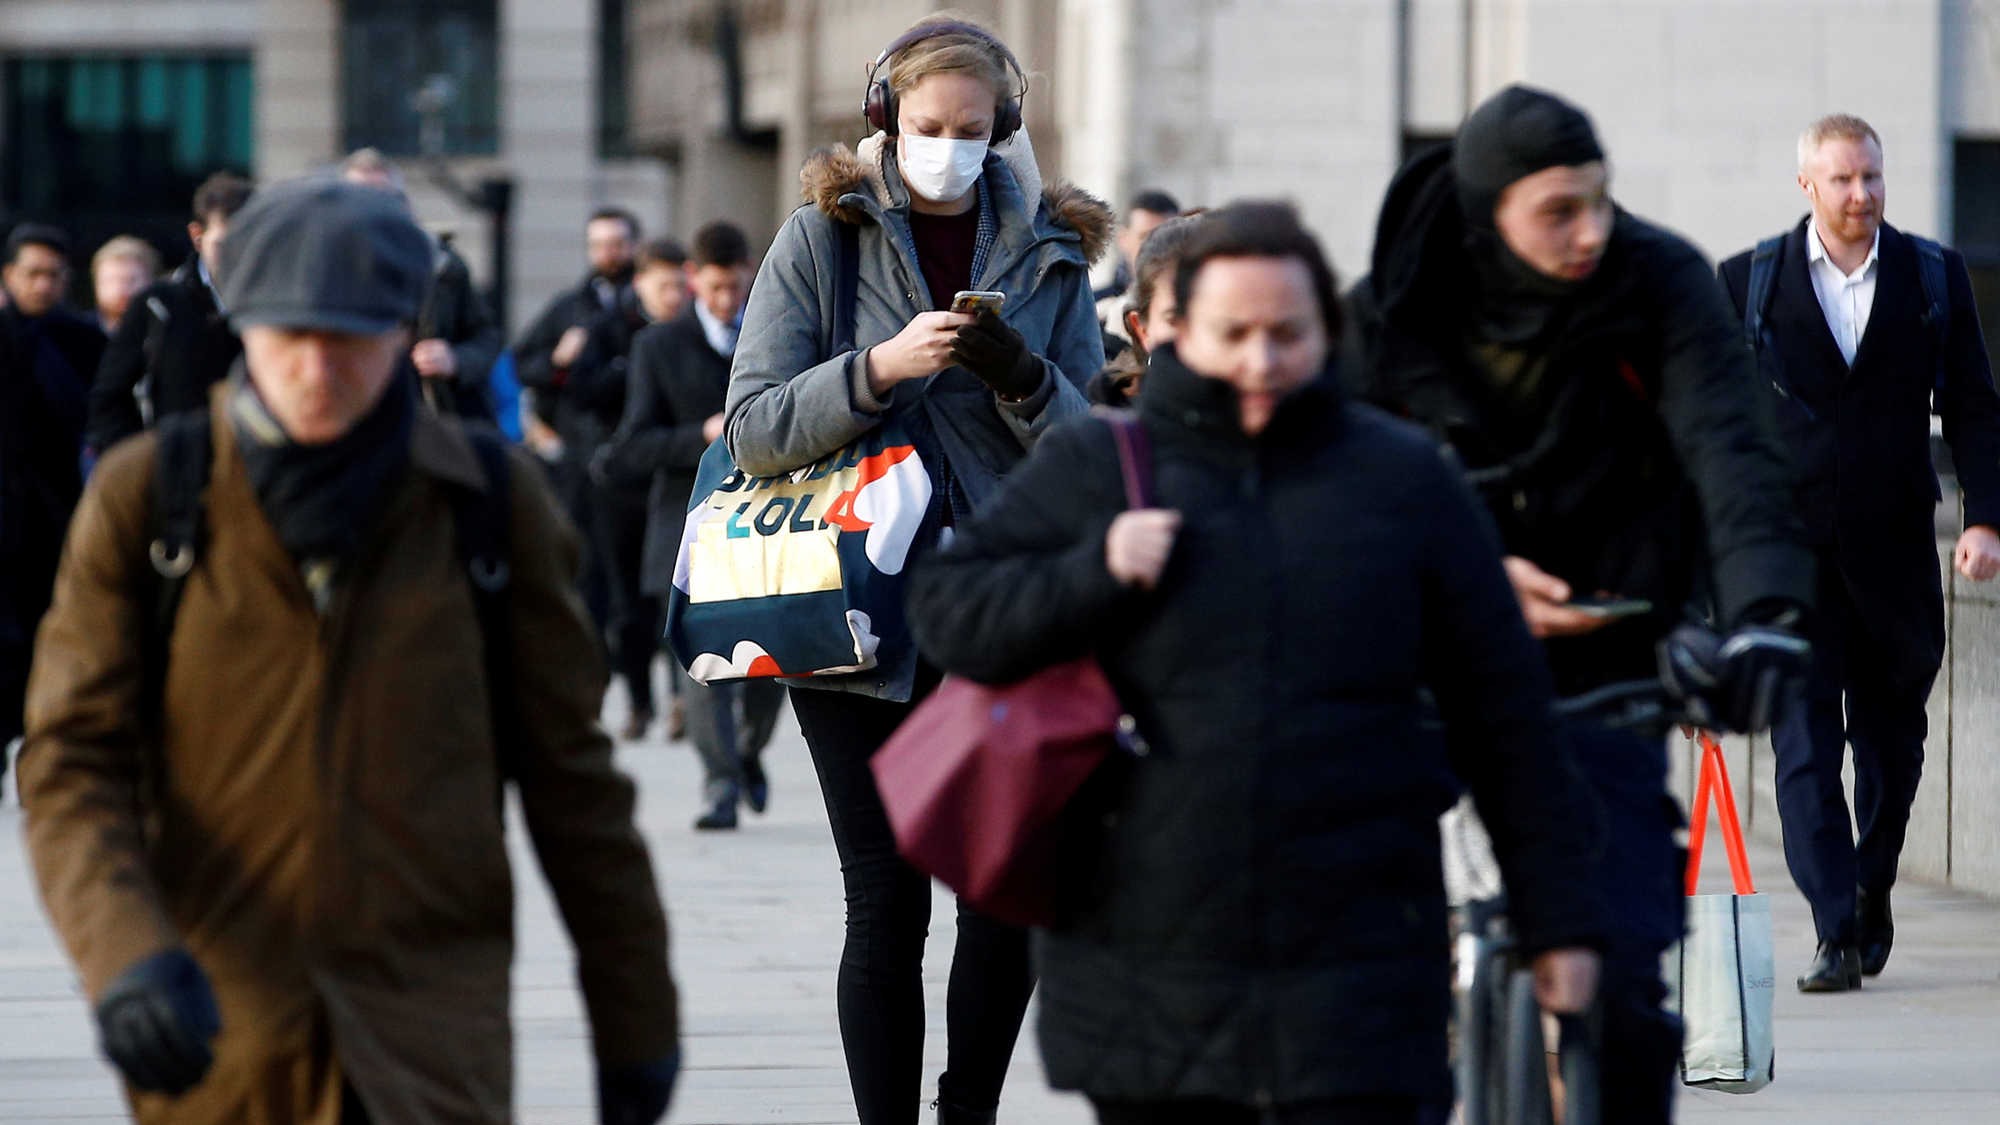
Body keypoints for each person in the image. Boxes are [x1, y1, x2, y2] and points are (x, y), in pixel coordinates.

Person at [908, 200, 1605, 1125]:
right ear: (1173, 331)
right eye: (1234, 332)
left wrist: (1558, 920)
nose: (1261, 359)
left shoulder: (1402, 480)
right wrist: (1092, 571)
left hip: (1359, 952)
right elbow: (950, 611)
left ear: (1328, 330)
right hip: (1148, 957)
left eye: (1288, 332)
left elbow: (1506, 716)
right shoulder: (1100, 465)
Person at [18, 179, 680, 1124]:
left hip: (429, 1036)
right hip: (223, 1033)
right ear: (243, 328)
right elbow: (68, 758)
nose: (318, 369)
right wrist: (125, 954)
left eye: (352, 339)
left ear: (402, 334)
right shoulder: (148, 498)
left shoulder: (486, 502)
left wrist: (637, 1025)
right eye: (292, 337)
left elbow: (573, 781)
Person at [1347, 85, 1815, 1124]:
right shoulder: (1393, 302)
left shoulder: (1655, 281)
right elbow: (1331, 490)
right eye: (1556, 210)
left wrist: (1765, 617)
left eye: (1599, 200)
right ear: (1486, 215)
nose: (1588, 231)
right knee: (1359, 983)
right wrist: (1464, 578)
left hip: (1606, 657)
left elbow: (1730, 454)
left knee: (1626, 988)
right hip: (1421, 663)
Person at [725, 14, 1110, 1123]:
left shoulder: (1049, 248)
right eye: (927, 127)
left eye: (972, 130)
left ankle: (968, 1113)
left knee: (1002, 898)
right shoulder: (821, 239)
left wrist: (1022, 376)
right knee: (886, 905)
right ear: (884, 120)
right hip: (851, 610)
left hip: (1006, 606)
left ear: (1007, 128)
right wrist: (875, 370)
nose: (947, 148)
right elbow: (751, 426)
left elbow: (1092, 454)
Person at [1719, 114, 2000, 993]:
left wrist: (1985, 519)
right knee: (1803, 750)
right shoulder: (1747, 283)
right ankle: (1834, 928)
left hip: (1896, 557)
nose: (1862, 194)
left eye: (1872, 177)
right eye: (1842, 179)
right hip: (1789, 562)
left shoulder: (1932, 276)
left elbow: (1976, 407)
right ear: (1807, 184)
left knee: (1892, 750)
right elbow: (1711, 438)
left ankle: (1871, 882)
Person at [599, 224, 787, 826]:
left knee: (772, 668)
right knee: (704, 667)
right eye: (715, 288)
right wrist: (700, 437)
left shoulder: (780, 333)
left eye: (736, 287)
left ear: (750, 273)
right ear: (692, 281)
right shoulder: (658, 346)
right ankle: (720, 785)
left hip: (768, 526)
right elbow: (633, 444)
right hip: (690, 530)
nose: (728, 300)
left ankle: (750, 750)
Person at [513, 206, 645, 648]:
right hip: (579, 460)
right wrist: (558, 362)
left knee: (637, 580)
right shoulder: (569, 308)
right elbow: (522, 364)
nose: (609, 253)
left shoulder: (645, 306)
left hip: (634, 456)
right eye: (600, 244)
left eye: (617, 243)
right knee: (584, 570)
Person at [1, 222, 104, 768]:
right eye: (32, 274)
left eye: (54, 276)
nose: (43, 285)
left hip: (57, 514)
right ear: (9, 275)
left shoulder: (82, 340)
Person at [88, 172, 254, 453]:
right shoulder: (158, 305)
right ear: (197, 236)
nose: (238, 255)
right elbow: (109, 400)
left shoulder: (278, 307)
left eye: (249, 241)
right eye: (225, 245)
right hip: (174, 476)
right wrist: (141, 473)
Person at [339, 148, 502, 423]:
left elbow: (487, 336)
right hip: (351, 422)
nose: (369, 209)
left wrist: (455, 360)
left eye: (382, 198)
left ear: (402, 204)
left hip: (426, 420)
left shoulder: (442, 264)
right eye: (357, 199)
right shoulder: (324, 268)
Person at [1087, 211, 1205, 406]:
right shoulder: (1105, 426)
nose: (1196, 335)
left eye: (1217, 321)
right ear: (1142, 329)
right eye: (1175, 318)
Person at [90, 236, 162, 337]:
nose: (121, 289)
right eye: (111, 280)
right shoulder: (77, 333)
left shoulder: (164, 334)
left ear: (151, 281)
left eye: (131, 280)